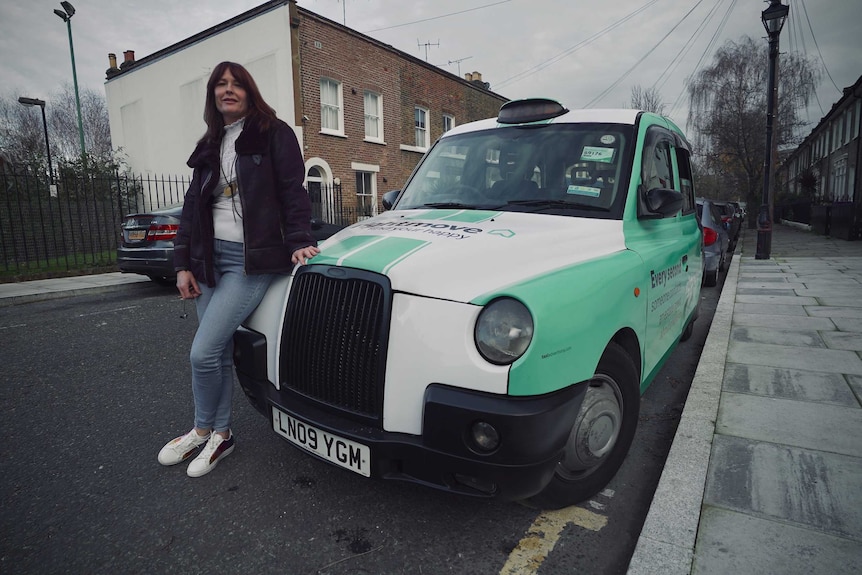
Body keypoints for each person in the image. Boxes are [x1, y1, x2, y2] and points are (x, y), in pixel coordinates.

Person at [157, 61, 320, 477]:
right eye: (220, 85)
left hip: (252, 262)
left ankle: (206, 428)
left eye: (237, 85)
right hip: (208, 261)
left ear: (249, 91)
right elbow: (193, 209)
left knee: (203, 351)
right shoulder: (210, 143)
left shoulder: (272, 133)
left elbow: (292, 189)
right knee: (218, 353)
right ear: (213, 95)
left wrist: (299, 238)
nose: (228, 90)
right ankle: (215, 432)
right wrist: (182, 266)